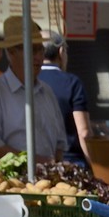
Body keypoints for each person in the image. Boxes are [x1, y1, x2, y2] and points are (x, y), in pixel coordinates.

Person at [0, 15, 65, 163]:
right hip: (13, 181)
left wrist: (55, 169)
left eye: (40, 50)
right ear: (11, 52)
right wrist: (36, 161)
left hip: (50, 180)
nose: (38, 57)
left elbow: (60, 142)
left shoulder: (47, 91)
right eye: (31, 50)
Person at [39, 31, 92, 168]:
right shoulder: (72, 83)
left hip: (36, 163)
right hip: (71, 162)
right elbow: (84, 131)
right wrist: (94, 165)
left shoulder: (26, 82)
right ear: (61, 52)